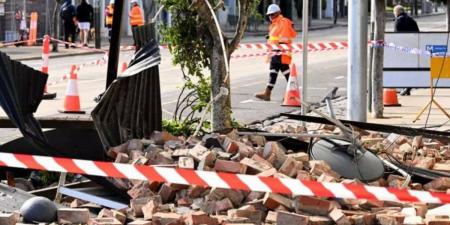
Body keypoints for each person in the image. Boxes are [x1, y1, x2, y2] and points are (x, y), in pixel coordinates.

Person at [255, 4, 297, 101]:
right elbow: (276, 37)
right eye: (269, 15)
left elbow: (284, 38)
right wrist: (269, 38)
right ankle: (269, 93)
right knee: (277, 72)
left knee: (282, 72)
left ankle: (292, 94)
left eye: (272, 14)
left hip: (280, 52)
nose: (270, 16)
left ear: (278, 13)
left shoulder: (283, 22)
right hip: (276, 52)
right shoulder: (275, 24)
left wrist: (278, 50)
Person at [394, 5, 419, 96]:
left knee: (403, 68)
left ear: (397, 12)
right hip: (413, 47)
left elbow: (397, 36)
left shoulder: (398, 21)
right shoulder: (411, 20)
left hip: (403, 48)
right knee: (410, 67)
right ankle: (407, 87)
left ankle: (406, 87)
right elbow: (417, 33)